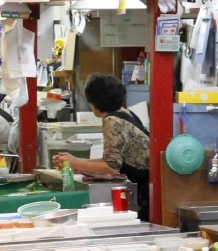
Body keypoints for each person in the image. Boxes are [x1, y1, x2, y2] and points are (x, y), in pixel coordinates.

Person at [53, 74, 150, 220]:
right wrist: (74, 162)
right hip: (148, 184)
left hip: (147, 191)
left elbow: (111, 167)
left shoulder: (112, 120)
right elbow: (112, 160)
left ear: (94, 102)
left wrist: (76, 163)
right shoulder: (125, 113)